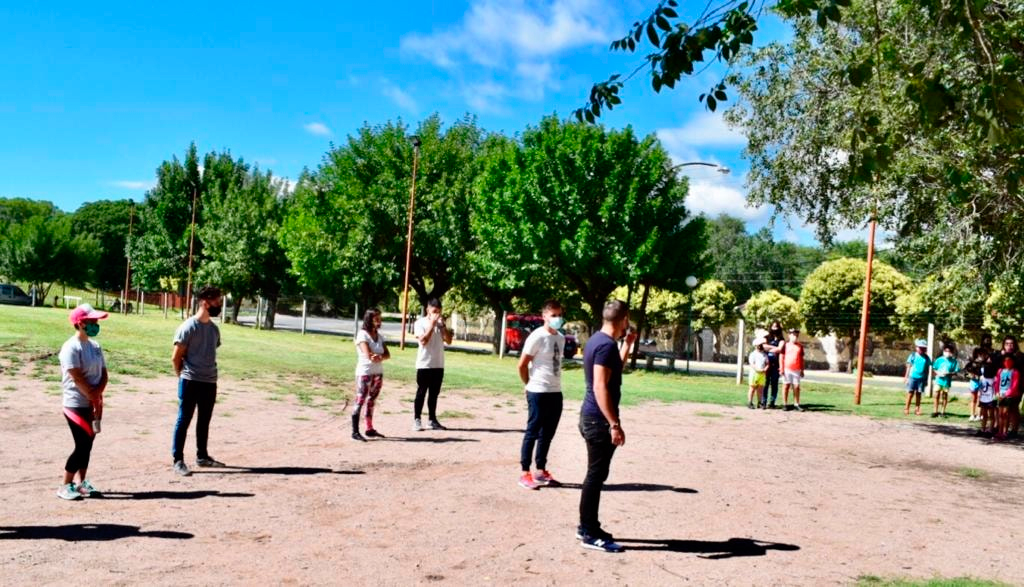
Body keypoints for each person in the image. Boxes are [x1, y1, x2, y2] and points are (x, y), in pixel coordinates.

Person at [577, 299, 636, 553]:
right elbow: (600, 386)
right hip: (598, 419)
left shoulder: (599, 341)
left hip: (592, 417)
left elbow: (614, 370)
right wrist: (613, 423)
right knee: (595, 476)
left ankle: (588, 526)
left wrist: (628, 345)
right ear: (624, 319)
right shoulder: (604, 346)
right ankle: (588, 531)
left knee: (596, 475)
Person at [171, 286, 225, 476]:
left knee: (204, 420)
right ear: (204, 302)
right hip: (190, 381)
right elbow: (176, 357)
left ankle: (202, 457)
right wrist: (182, 376)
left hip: (210, 382)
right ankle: (178, 460)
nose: (219, 305)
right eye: (217, 301)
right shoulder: (188, 327)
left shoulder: (214, 329)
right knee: (184, 420)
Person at [56, 304, 109, 500]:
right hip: (75, 403)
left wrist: (97, 395)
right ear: (80, 323)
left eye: (96, 321)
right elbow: (76, 377)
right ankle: (65, 485)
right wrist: (92, 395)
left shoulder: (95, 346)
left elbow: (104, 373)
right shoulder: (71, 347)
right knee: (82, 444)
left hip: (94, 402)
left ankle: (81, 482)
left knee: (89, 444)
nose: (96, 324)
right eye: (91, 321)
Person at [517, 300, 566, 490]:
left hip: (555, 391)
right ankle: (524, 473)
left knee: (548, 434)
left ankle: (540, 470)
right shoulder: (536, 337)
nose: (557, 319)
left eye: (559, 315)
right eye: (553, 315)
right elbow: (522, 364)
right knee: (533, 432)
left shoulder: (560, 338)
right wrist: (528, 384)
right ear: (544, 316)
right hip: (538, 391)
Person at [412, 298, 452, 431]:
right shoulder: (419, 323)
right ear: (427, 310)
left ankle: (432, 419)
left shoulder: (441, 324)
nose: (437, 314)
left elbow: (449, 340)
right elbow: (423, 341)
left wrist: (442, 326)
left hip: (438, 364)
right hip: (424, 364)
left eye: (439, 312)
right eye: (434, 311)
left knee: (434, 394)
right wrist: (432, 324)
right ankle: (417, 419)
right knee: (421, 392)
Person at [352, 308, 390, 441]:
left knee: (372, 401)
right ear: (370, 319)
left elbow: (387, 354)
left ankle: (369, 428)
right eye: (377, 319)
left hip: (377, 373)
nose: (379, 321)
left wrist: (379, 356)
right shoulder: (363, 335)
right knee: (360, 399)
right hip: (365, 373)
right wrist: (377, 356)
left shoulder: (379, 336)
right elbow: (368, 355)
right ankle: (355, 431)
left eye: (380, 319)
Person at [993, 336, 1023, 439]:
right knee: (1000, 410)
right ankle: (999, 428)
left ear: (1015, 345)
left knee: (1014, 409)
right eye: (1007, 343)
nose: (1009, 346)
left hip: (1016, 388)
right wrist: (999, 355)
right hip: (1002, 388)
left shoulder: (1019, 355)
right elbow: (994, 366)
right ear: (1003, 345)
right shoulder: (1000, 355)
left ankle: (1014, 430)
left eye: (1011, 343)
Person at [994, 355, 1020, 441]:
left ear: (1013, 362)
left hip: (1008, 396)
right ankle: (999, 431)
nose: (1007, 362)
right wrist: (997, 392)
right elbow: (997, 382)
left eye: (1009, 360)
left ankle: (1004, 432)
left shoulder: (1015, 372)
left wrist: (1005, 394)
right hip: (1000, 394)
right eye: (1005, 360)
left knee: (1006, 414)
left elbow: (1014, 386)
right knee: (1000, 414)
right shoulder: (1000, 371)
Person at [779, 328, 805, 412]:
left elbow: (801, 359)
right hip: (787, 369)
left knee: (796, 387)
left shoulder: (800, 346)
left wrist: (802, 370)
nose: (794, 336)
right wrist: (781, 368)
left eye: (796, 335)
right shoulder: (785, 345)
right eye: (793, 334)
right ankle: (785, 404)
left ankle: (796, 404)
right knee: (786, 386)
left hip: (796, 369)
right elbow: (781, 357)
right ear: (789, 335)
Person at [931, 343, 960, 418]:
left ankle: (942, 411)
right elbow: (934, 368)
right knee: (936, 395)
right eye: (945, 351)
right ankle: (935, 411)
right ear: (943, 351)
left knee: (944, 395)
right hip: (938, 380)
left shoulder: (954, 361)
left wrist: (949, 373)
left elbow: (956, 371)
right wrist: (938, 373)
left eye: (949, 351)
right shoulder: (939, 359)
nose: (947, 353)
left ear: (952, 353)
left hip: (947, 381)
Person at [903, 339, 931, 416]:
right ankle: (906, 408)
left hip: (921, 378)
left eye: (924, 348)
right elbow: (909, 366)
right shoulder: (913, 355)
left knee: (918, 394)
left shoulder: (926, 358)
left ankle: (917, 409)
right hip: (912, 377)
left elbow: (927, 369)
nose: (922, 349)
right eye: (920, 347)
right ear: (916, 348)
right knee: (910, 393)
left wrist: (926, 379)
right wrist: (906, 377)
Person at [762, 321, 784, 408]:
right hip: (766, 364)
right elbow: (764, 347)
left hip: (776, 365)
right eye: (773, 326)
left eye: (776, 327)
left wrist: (770, 348)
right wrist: (775, 348)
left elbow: (780, 349)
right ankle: (763, 402)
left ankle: (772, 402)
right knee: (765, 383)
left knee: (774, 384)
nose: (774, 328)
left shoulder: (781, 339)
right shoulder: (766, 337)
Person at [747, 340, 768, 410]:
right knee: (752, 388)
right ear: (755, 346)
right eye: (758, 345)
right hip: (754, 373)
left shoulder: (764, 354)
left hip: (762, 374)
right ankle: (750, 402)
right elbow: (752, 364)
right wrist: (758, 370)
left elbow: (767, 363)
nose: (760, 347)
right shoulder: (753, 354)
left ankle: (760, 402)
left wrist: (765, 369)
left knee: (760, 389)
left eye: (761, 345)